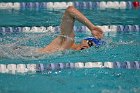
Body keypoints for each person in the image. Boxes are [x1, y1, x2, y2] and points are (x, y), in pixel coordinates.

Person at [38, 6, 103, 53]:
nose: (88, 48)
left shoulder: (69, 50)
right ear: (85, 40)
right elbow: (70, 10)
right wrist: (91, 27)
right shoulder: (68, 40)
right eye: (90, 44)